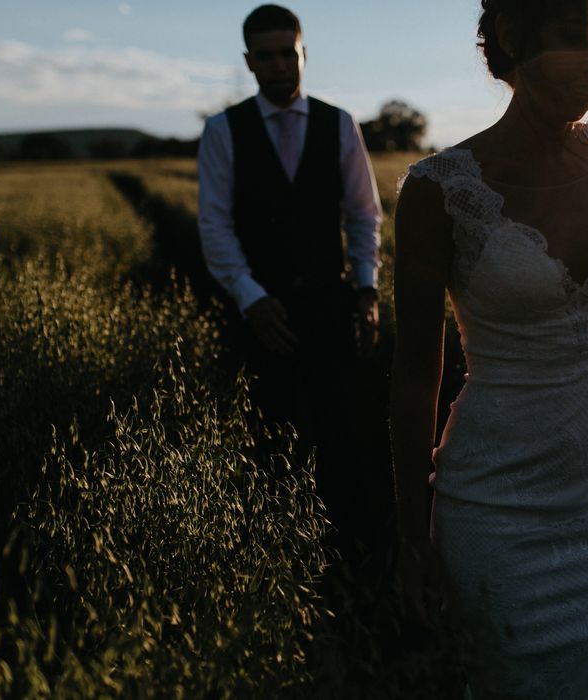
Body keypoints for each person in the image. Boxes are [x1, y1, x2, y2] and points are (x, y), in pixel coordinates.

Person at [390, 0, 588, 696]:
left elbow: (587, 321)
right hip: (497, 515)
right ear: (514, 35)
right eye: (569, 36)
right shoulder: (439, 191)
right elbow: (413, 376)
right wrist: (410, 540)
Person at [197, 5, 385, 564]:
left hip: (330, 305)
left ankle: (350, 562)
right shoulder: (222, 131)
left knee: (341, 436)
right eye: (267, 56)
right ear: (249, 61)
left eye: (289, 53)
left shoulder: (338, 123)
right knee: (268, 436)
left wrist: (367, 289)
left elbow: (363, 214)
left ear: (304, 53)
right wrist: (251, 299)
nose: (280, 65)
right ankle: (275, 561)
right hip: (259, 313)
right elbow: (214, 224)